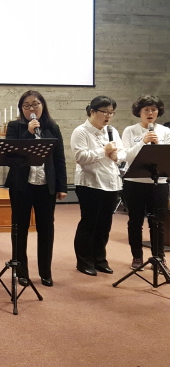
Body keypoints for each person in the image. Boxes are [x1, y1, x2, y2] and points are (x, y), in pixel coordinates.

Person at [4, 91, 67, 287]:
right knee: (20, 228)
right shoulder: (14, 127)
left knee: (46, 229)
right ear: (21, 109)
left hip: (45, 185)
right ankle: (21, 271)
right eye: (26, 105)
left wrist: (62, 186)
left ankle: (45, 272)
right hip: (21, 185)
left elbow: (59, 158)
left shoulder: (52, 127)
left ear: (43, 106)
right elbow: (10, 153)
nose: (31, 109)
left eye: (35, 104)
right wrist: (28, 133)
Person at [71, 96, 125, 276]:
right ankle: (84, 261)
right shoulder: (81, 131)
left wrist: (118, 156)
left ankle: (100, 259)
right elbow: (81, 157)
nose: (108, 116)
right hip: (90, 183)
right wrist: (104, 151)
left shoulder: (112, 130)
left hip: (111, 183)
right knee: (89, 224)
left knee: (104, 225)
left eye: (111, 112)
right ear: (92, 111)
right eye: (105, 112)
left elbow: (121, 151)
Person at [122, 95, 170, 270]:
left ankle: (159, 257)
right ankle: (137, 257)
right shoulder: (130, 131)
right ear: (139, 112)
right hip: (135, 182)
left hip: (159, 182)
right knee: (135, 221)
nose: (150, 113)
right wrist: (143, 142)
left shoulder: (165, 131)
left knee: (157, 222)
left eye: (154, 110)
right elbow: (125, 156)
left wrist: (158, 145)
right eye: (146, 110)